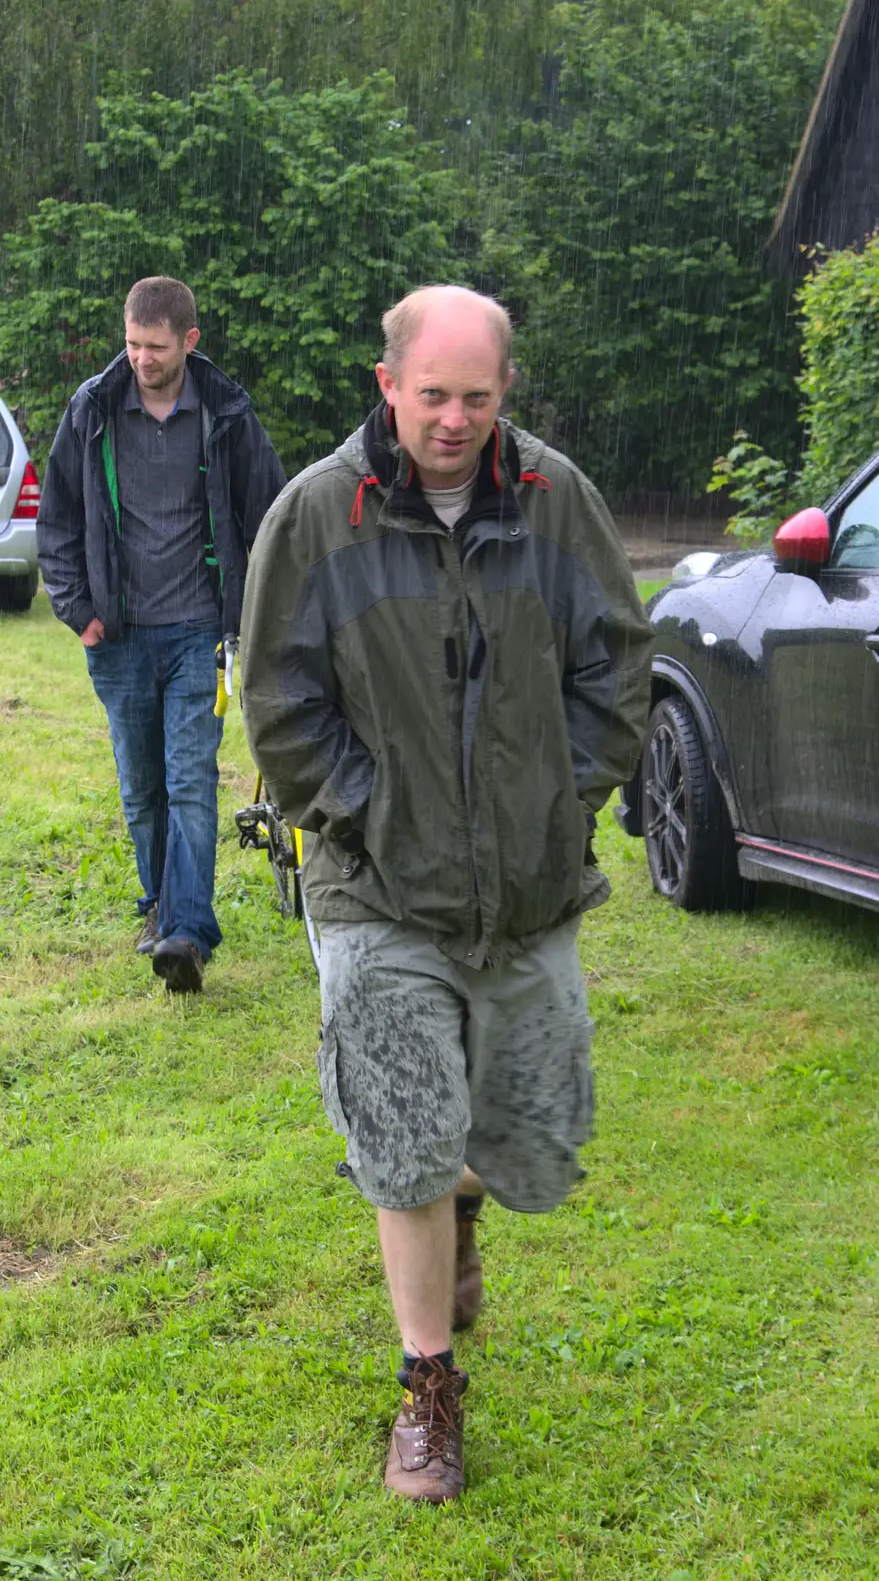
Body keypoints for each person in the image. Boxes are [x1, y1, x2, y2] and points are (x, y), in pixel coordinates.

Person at [240, 285, 652, 1501]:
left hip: (526, 885)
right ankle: (426, 1390)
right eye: (433, 395)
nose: (454, 419)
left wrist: (559, 798)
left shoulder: (556, 501)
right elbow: (277, 700)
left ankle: (463, 1198)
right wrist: (373, 811)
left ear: (504, 391)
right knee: (404, 1131)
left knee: (523, 1125)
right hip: (375, 891)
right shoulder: (318, 517)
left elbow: (616, 664)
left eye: (478, 396)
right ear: (387, 385)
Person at [38, 277, 285, 993]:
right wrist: (76, 609)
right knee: (141, 788)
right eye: (132, 344)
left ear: (189, 342)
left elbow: (268, 516)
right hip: (114, 638)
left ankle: (187, 932)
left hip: (196, 635)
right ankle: (157, 906)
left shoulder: (228, 415)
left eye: (155, 346)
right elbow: (55, 521)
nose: (141, 358)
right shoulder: (91, 411)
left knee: (189, 779)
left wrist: (253, 613)